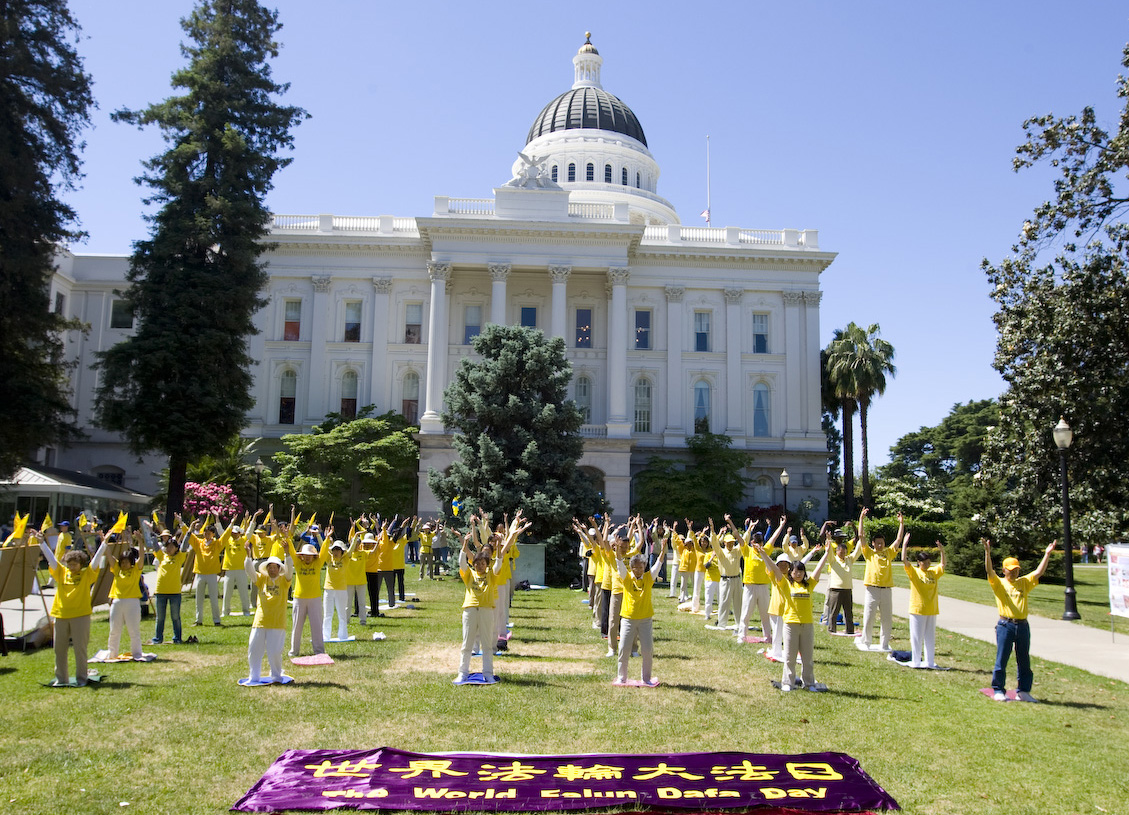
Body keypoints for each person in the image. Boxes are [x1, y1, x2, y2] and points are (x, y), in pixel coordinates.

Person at [754, 536, 830, 692]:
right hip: (790, 625)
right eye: (796, 571)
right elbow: (775, 569)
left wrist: (827, 553)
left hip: (807, 625)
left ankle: (809, 683)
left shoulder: (809, 585)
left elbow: (818, 569)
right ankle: (788, 682)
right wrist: (763, 554)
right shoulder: (786, 584)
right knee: (789, 657)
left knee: (807, 658)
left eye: (801, 571)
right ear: (791, 572)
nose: (798, 574)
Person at [984, 538, 1056, 702]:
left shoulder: (1023, 583)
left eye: (1016, 569)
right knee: (1002, 658)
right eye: (1011, 570)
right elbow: (989, 571)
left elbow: (1038, 573)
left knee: (1024, 660)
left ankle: (1023, 691)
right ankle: (998, 689)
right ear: (1004, 570)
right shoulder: (999, 583)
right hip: (1005, 625)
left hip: (1022, 626)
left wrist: (1047, 554)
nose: (1014, 572)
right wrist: (987, 553)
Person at [38, 530, 108, 686]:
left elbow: (96, 560)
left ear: (81, 565)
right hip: (61, 615)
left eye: (74, 564)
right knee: (59, 649)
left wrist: (104, 544)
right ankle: (61, 679)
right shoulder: (61, 572)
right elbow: (51, 560)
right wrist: (42, 543)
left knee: (80, 649)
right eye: (69, 564)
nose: (71, 567)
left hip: (81, 616)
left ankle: (81, 679)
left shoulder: (87, 574)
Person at [614, 526, 668, 685]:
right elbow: (619, 563)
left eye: (641, 567)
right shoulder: (626, 578)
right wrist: (617, 550)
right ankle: (622, 677)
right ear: (631, 568)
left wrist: (663, 550)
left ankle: (646, 678)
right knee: (623, 649)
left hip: (645, 619)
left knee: (647, 650)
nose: (638, 570)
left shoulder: (648, 578)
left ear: (644, 567)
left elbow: (658, 564)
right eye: (635, 567)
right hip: (628, 618)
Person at [242, 540, 293, 685]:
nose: (272, 570)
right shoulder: (262, 579)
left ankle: (276, 677)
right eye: (269, 567)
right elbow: (250, 571)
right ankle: (254, 677)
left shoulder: (284, 581)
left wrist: (287, 553)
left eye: (275, 567)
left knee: (275, 652)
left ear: (279, 568)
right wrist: (248, 555)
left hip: (277, 622)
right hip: (260, 621)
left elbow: (290, 569)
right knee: (254, 649)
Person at [854, 508, 898, 652]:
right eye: (878, 543)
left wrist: (901, 524)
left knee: (886, 619)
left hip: (886, 590)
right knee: (869, 617)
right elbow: (861, 535)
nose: (880, 545)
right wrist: (861, 518)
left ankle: (884, 644)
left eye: (882, 543)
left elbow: (898, 540)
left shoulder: (888, 553)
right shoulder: (869, 553)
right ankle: (866, 641)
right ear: (873, 543)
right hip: (872, 589)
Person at [902, 534, 946, 668]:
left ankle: (930, 662)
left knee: (930, 637)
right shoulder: (914, 572)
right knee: (917, 637)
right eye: (924, 563)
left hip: (931, 610)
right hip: (917, 610)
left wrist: (942, 551)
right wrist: (904, 544)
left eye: (928, 563)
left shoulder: (933, 572)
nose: (927, 565)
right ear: (919, 562)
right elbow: (904, 560)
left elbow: (943, 564)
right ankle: (916, 661)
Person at [285, 527, 329, 657]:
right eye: (306, 555)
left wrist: (326, 538)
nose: (308, 558)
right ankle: (294, 650)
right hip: (299, 598)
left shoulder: (318, 563)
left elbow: (324, 551)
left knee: (317, 625)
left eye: (310, 556)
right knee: (297, 626)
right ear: (302, 556)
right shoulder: (298, 563)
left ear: (314, 556)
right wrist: (287, 537)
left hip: (315, 598)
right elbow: (292, 551)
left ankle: (319, 651)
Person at [104, 539, 146, 660]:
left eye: (126, 562)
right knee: (114, 630)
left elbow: (141, 557)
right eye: (122, 562)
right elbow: (109, 556)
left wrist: (141, 542)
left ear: (131, 562)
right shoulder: (117, 569)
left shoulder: (135, 570)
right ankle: (112, 653)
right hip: (117, 601)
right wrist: (104, 541)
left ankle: (137, 653)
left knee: (133, 630)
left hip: (132, 602)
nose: (124, 564)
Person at [149, 526, 189, 644]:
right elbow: (155, 545)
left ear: (176, 548)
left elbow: (185, 545)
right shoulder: (162, 556)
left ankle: (177, 638)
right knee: (160, 617)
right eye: (168, 546)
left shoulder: (179, 557)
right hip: (160, 591)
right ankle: (158, 638)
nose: (169, 548)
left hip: (174, 591)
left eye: (172, 547)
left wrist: (189, 531)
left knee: (175, 617)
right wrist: (151, 531)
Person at [322, 535, 359, 641]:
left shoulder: (346, 559)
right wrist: (324, 538)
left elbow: (350, 550)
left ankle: (343, 636)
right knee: (327, 614)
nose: (336, 552)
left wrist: (355, 537)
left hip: (341, 590)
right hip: (328, 589)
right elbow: (323, 547)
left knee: (342, 614)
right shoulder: (329, 558)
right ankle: (325, 636)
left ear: (342, 551)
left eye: (338, 550)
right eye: (334, 550)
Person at [188, 518, 223, 627]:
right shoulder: (199, 543)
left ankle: (216, 620)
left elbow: (226, 535)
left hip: (212, 574)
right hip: (200, 574)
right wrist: (187, 524)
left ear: (213, 534)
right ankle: (198, 620)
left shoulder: (217, 544)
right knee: (199, 598)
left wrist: (230, 524)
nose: (206, 535)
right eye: (205, 533)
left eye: (209, 533)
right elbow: (189, 535)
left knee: (214, 598)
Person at [824, 531, 858, 635]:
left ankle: (850, 630)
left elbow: (858, 551)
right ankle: (831, 629)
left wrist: (861, 538)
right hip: (835, 590)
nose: (842, 554)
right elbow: (829, 551)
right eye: (840, 552)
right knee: (834, 611)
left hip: (847, 589)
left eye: (844, 552)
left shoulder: (849, 560)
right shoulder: (833, 560)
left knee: (848, 612)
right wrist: (828, 539)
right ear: (837, 552)